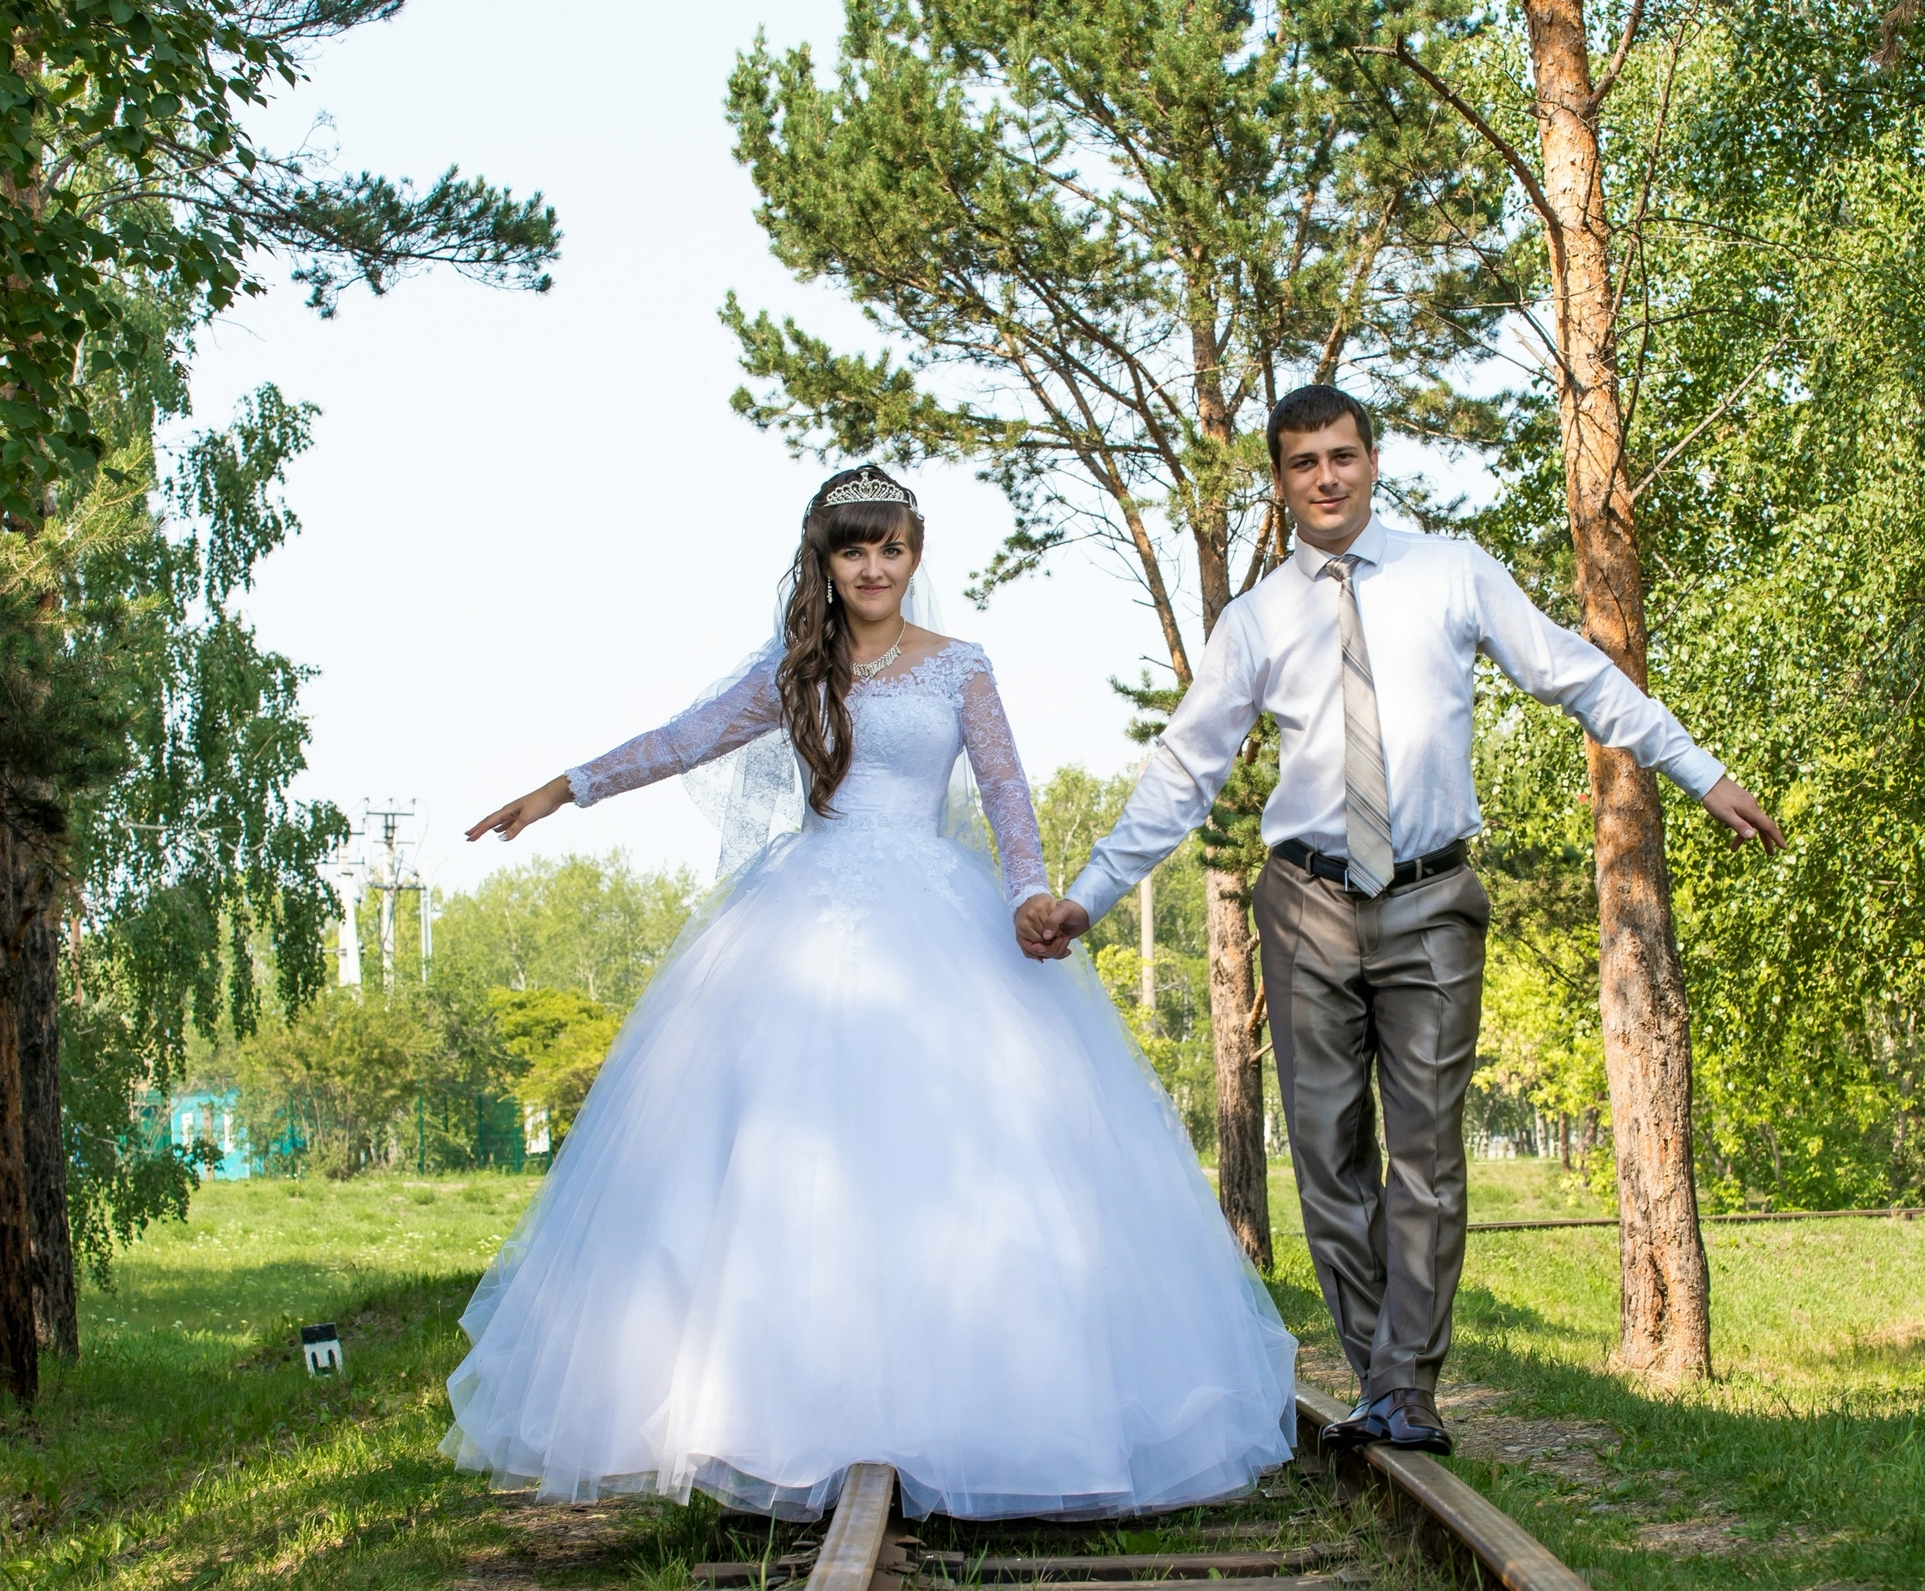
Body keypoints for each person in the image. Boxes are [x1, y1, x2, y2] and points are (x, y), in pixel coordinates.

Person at [444, 465, 1296, 1519]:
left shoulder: (960, 668)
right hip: (796, 925)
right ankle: (780, 1422)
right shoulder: (795, 671)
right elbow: (680, 739)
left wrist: (1030, 894)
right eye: (853, 550)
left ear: (915, 554)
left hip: (939, 922)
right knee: (775, 1165)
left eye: (890, 547)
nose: (874, 567)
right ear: (826, 561)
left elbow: (1006, 795)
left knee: (966, 1163)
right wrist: (562, 789)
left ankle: (983, 1418)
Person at [1017, 386, 1782, 1455]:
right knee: (1331, 1158)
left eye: (1341, 456)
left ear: (1373, 461)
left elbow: (1573, 675)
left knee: (1424, 1154)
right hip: (1303, 906)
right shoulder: (1258, 621)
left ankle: (1404, 1388)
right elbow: (1180, 776)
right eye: (1301, 464)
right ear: (1278, 484)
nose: (1325, 478)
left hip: (1429, 899)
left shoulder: (1451, 574)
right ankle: (1378, 1370)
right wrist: (1089, 898)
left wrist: (1700, 773)